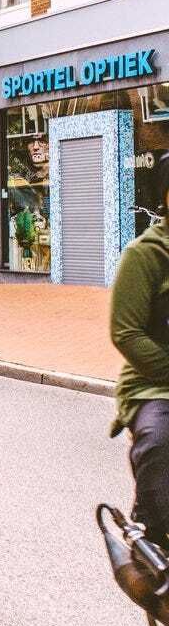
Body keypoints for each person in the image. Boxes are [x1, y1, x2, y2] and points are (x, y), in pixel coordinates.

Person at [112, 151, 169, 547]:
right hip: (154, 385)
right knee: (160, 439)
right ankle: (154, 525)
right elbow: (126, 333)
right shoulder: (145, 255)